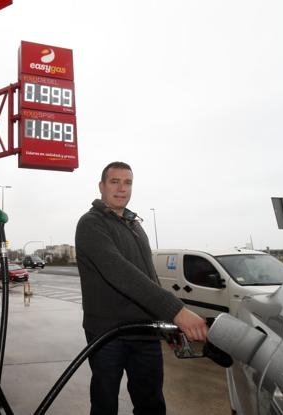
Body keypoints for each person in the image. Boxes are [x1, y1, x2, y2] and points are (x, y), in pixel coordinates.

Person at [75, 161, 208, 415]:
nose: (122, 188)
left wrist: (169, 326)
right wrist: (176, 309)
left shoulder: (136, 226)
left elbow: (149, 277)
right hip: (108, 335)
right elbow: (119, 271)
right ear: (101, 186)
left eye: (128, 183)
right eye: (115, 182)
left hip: (145, 333)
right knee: (105, 405)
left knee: (152, 405)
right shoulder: (91, 224)